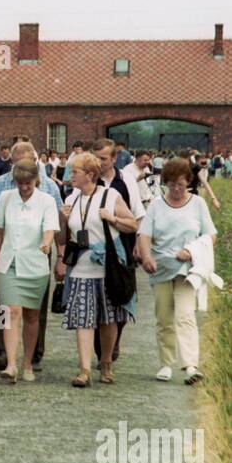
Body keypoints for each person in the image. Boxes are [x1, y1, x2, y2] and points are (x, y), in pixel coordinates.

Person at [0, 141, 63, 371]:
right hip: (8, 253)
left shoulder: (50, 189)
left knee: (36, 311)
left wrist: (58, 252)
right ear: (11, 164)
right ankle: (2, 348)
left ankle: (33, 354)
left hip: (37, 253)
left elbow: (58, 223)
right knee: (6, 307)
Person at [135, 158, 217, 384]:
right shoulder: (156, 205)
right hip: (161, 267)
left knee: (185, 315)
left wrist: (191, 251)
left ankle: (191, 365)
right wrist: (146, 256)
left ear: (188, 182)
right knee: (164, 317)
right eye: (171, 184)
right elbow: (144, 235)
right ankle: (166, 364)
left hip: (187, 269)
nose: (176, 189)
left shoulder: (198, 204)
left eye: (180, 184)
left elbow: (210, 235)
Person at [60, 152, 137, 387]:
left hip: (107, 268)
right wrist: (62, 221)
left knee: (108, 319)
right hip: (80, 268)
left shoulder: (110, 195)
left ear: (89, 175)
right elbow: (64, 237)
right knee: (83, 319)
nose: (70, 175)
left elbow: (132, 224)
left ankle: (105, 362)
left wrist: (112, 218)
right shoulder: (71, 199)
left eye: (75, 171)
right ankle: (84, 369)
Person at [90, 138, 146, 370]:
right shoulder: (88, 179)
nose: (99, 163)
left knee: (123, 296)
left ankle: (114, 340)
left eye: (103, 159)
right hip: (96, 248)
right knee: (97, 299)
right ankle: (101, 350)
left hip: (123, 245)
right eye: (96, 158)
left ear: (114, 159)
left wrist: (140, 243)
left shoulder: (126, 179)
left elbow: (139, 213)